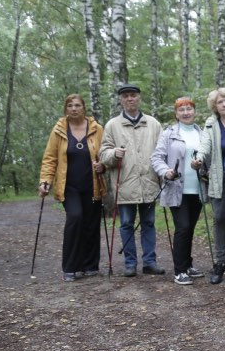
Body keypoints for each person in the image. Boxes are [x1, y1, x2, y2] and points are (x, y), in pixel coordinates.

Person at [99, 84, 166, 277]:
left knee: (149, 223)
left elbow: (162, 151)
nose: (130, 99)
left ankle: (149, 262)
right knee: (126, 223)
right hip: (125, 184)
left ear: (139, 98)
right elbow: (103, 154)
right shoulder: (112, 125)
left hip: (149, 182)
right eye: (126, 96)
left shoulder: (153, 124)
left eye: (133, 96)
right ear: (121, 100)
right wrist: (113, 154)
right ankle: (130, 264)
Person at [39, 94, 106, 281]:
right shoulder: (59, 130)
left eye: (77, 105)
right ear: (65, 109)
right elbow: (50, 158)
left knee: (91, 224)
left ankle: (90, 265)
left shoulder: (97, 128)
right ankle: (70, 266)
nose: (74, 108)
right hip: (69, 186)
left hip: (92, 184)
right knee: (75, 218)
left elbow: (105, 153)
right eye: (70, 105)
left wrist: (104, 166)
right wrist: (45, 181)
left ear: (84, 108)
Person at [150, 98, 205, 285]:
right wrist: (166, 171)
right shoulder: (169, 134)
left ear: (194, 111)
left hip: (197, 189)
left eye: (189, 109)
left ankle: (188, 264)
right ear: (176, 114)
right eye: (181, 110)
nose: (186, 112)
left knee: (189, 227)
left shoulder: (202, 133)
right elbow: (157, 158)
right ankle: (179, 271)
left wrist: (203, 166)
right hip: (176, 188)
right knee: (182, 227)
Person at [192, 88, 225, 284]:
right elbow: (204, 146)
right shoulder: (211, 124)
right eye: (220, 102)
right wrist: (198, 159)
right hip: (218, 179)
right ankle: (220, 263)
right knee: (220, 219)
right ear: (215, 106)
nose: (224, 104)